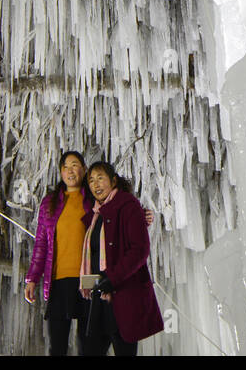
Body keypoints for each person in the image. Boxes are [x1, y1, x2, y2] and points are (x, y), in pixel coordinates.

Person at [80, 160, 164, 356]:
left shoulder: (128, 206)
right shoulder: (94, 215)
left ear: (113, 180)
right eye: (91, 180)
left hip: (122, 295)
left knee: (123, 349)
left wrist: (113, 278)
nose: (96, 184)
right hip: (98, 297)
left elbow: (139, 250)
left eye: (101, 178)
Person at [25, 151, 95, 355]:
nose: (70, 170)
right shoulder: (50, 202)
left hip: (89, 277)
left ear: (83, 169)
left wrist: (142, 217)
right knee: (57, 344)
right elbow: (41, 245)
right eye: (66, 166)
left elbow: (118, 219)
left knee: (89, 342)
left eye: (75, 165)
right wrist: (32, 279)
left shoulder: (93, 198)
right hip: (58, 277)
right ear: (61, 172)